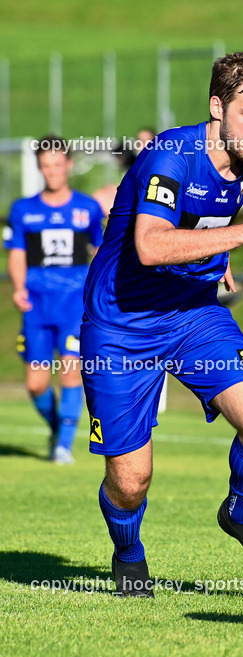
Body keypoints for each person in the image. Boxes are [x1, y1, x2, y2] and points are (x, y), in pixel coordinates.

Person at [82, 52, 243, 597]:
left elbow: (203, 218)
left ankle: (239, 513)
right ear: (216, 107)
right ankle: (129, 553)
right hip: (122, 326)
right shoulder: (171, 156)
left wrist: (215, 257)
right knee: (131, 483)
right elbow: (150, 245)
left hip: (194, 314)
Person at [4, 136, 105, 464]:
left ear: (68, 165)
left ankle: (63, 446)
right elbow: (17, 253)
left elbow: (100, 250)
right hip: (36, 306)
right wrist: (18, 287)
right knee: (36, 383)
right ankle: (58, 428)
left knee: (71, 372)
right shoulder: (23, 210)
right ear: (39, 168)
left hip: (74, 304)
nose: (52, 171)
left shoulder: (87, 208)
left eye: (57, 164)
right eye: (46, 165)